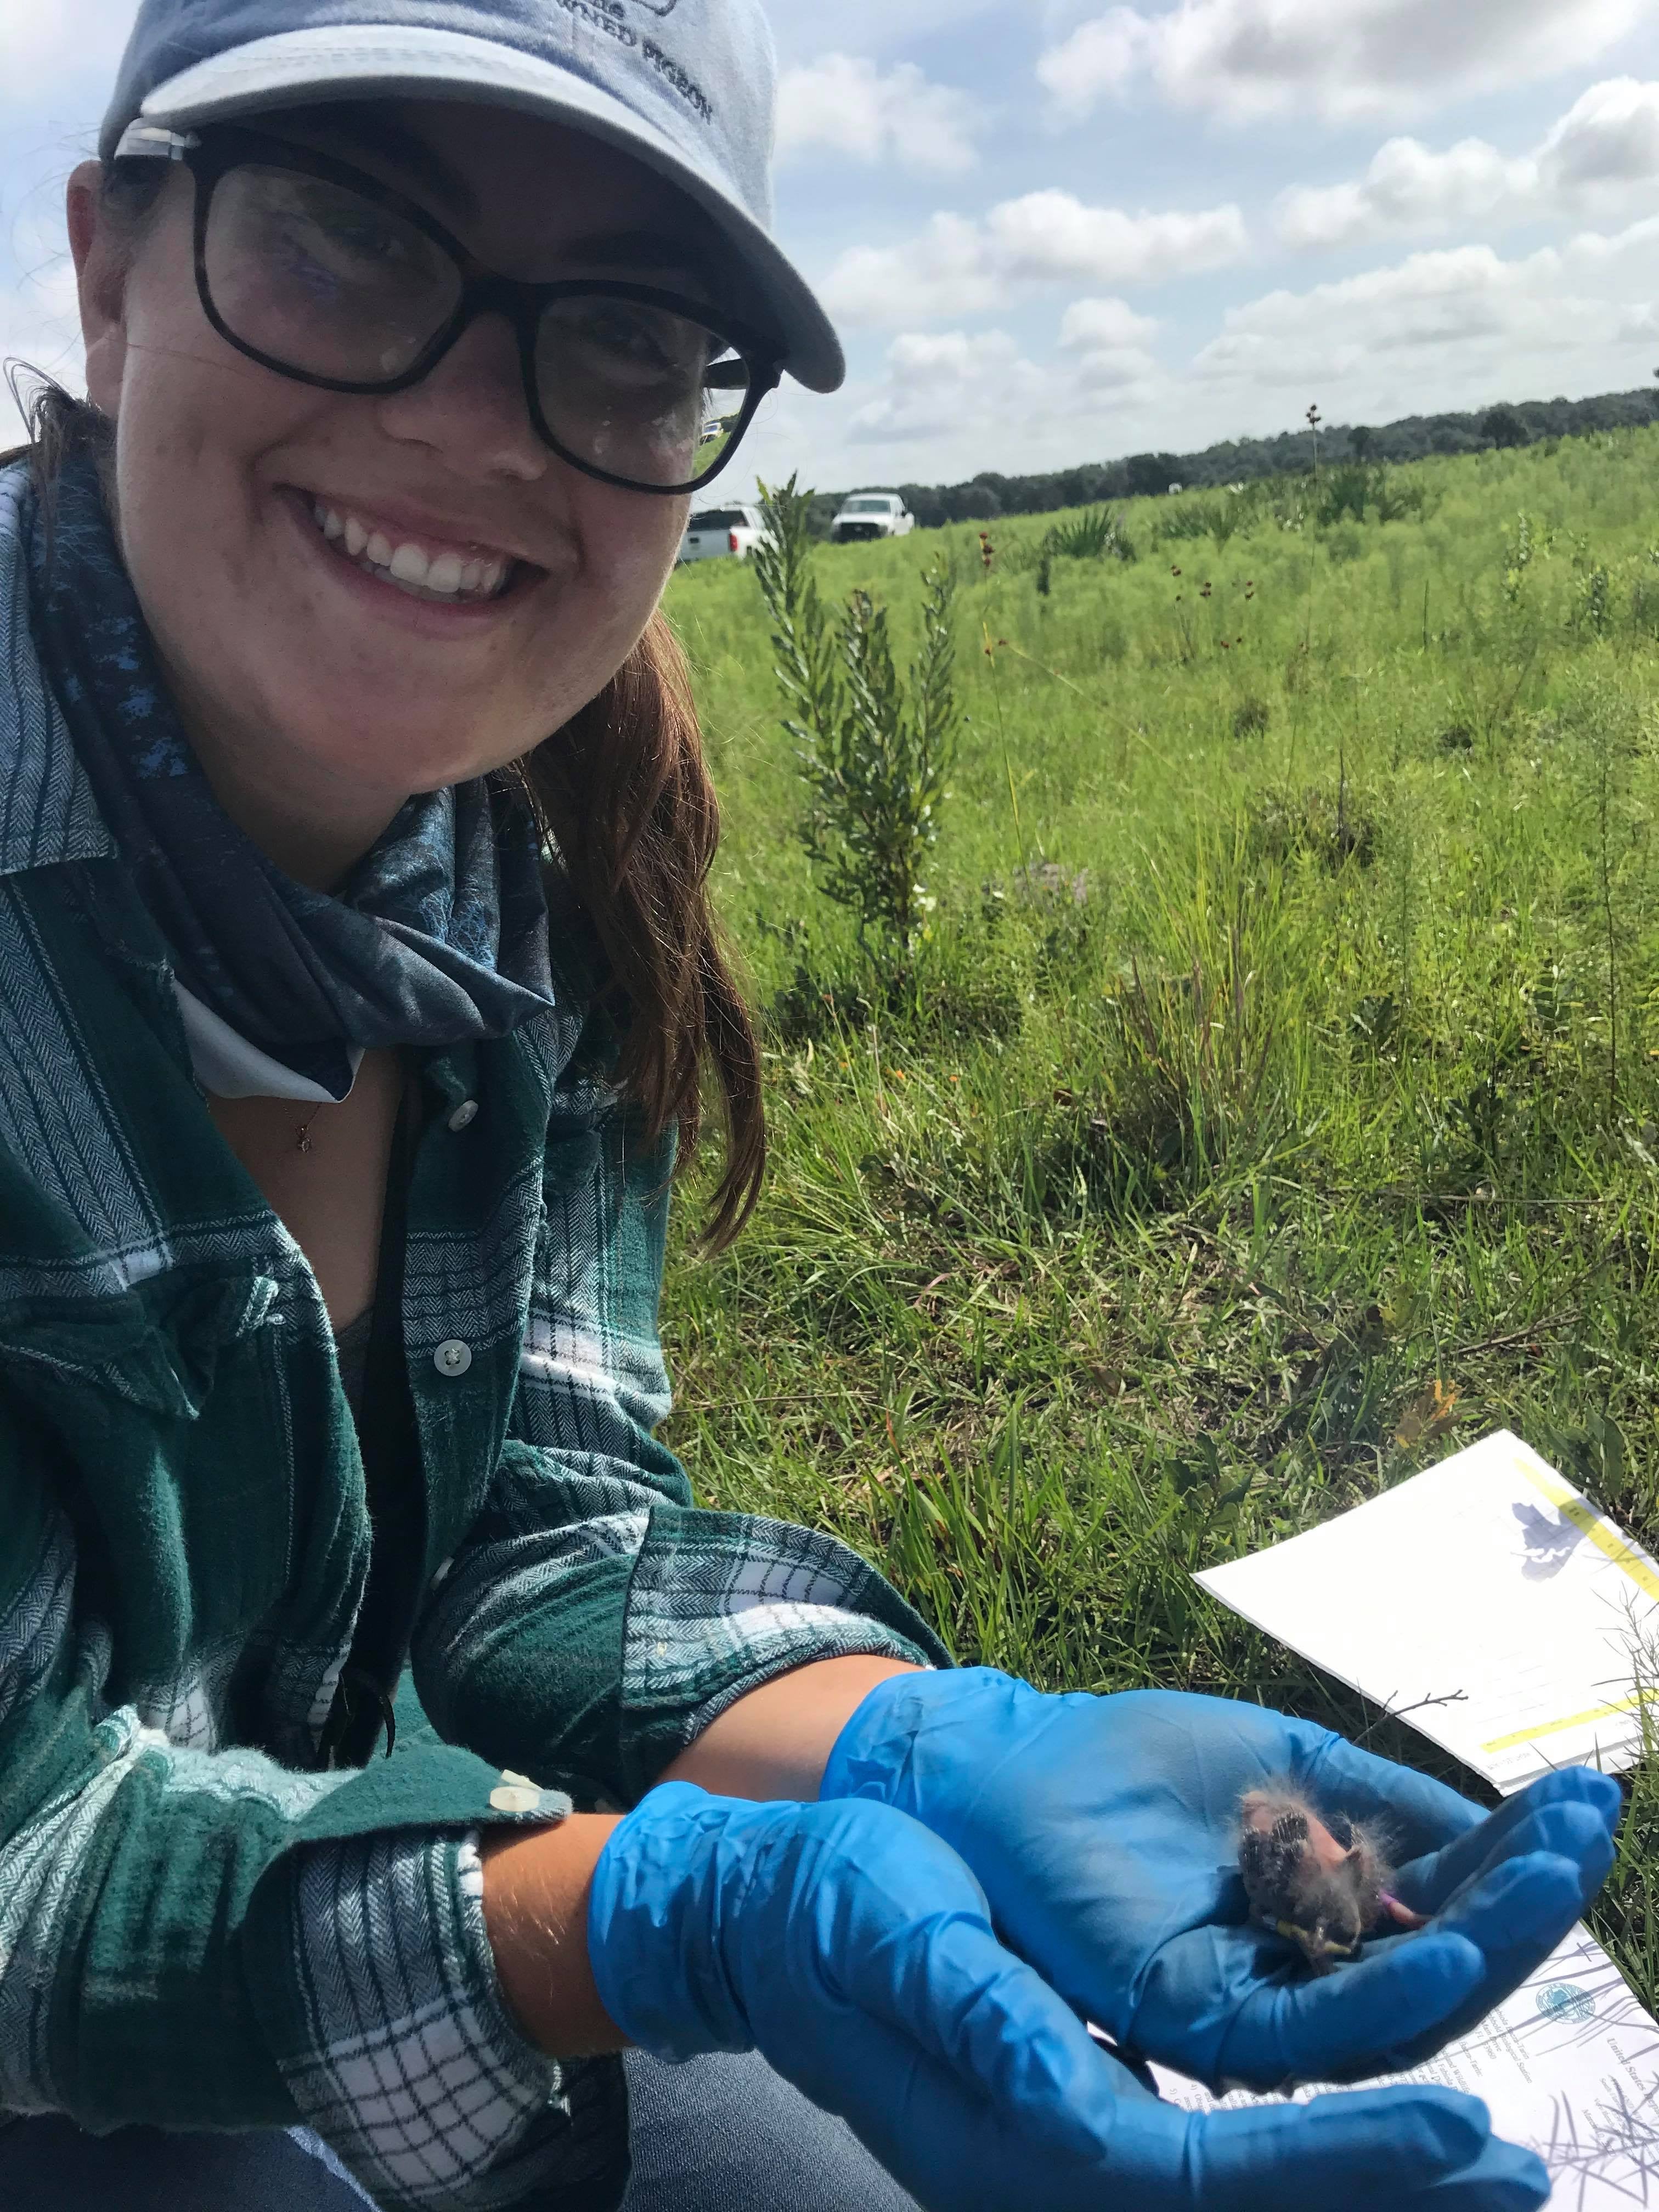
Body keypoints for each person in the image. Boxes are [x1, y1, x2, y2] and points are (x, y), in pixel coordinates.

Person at [0, 1, 1623, 2207]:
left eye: (630, 339)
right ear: (106, 263)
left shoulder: (528, 897)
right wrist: (652, 1918)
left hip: (368, 1879)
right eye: (353, 239)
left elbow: (536, 1554)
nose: (484, 423)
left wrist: (924, 1749)